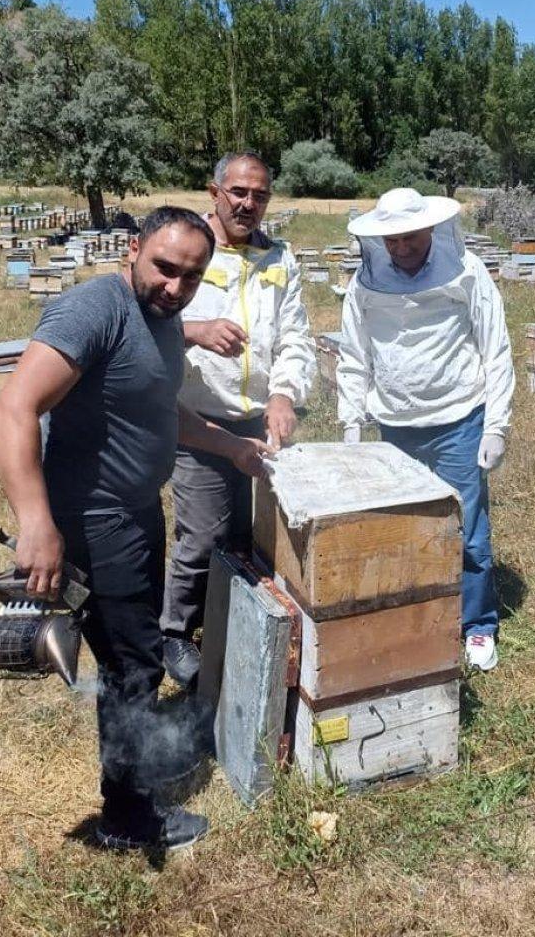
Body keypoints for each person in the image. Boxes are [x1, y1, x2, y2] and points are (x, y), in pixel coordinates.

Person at [0, 206, 271, 852]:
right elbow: (14, 406)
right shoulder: (96, 309)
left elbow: (157, 407)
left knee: (133, 657)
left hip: (137, 512)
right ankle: (127, 817)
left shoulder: (161, 319)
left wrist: (230, 446)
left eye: (190, 277)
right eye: (164, 268)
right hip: (94, 519)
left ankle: (130, 791)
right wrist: (36, 522)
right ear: (133, 249)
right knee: (132, 667)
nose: (174, 286)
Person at [336, 188, 514, 672]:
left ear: (431, 230)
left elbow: (495, 347)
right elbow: (354, 356)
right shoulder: (365, 283)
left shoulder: (467, 271)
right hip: (395, 425)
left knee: (467, 529)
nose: (401, 248)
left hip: (460, 419)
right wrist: (352, 422)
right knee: (407, 528)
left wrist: (495, 425)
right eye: (391, 240)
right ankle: (419, 619)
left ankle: (477, 625)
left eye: (410, 238)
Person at [161, 152, 316, 689]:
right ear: (215, 192)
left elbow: (295, 336)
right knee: (203, 534)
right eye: (239, 193)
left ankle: (239, 621)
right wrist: (196, 330)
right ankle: (176, 631)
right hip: (199, 419)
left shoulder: (279, 258)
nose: (249, 204)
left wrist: (284, 394)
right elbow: (143, 320)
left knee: (262, 536)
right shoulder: (185, 248)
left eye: (260, 195)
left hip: (261, 421)